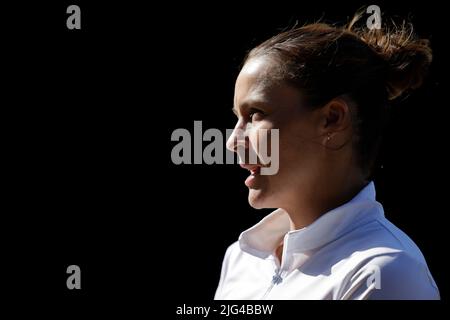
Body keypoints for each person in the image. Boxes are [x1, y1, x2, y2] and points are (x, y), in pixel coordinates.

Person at [214, 14, 440, 300]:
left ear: (332, 119)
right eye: (237, 118)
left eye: (256, 114)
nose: (233, 142)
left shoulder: (384, 272)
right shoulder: (241, 259)